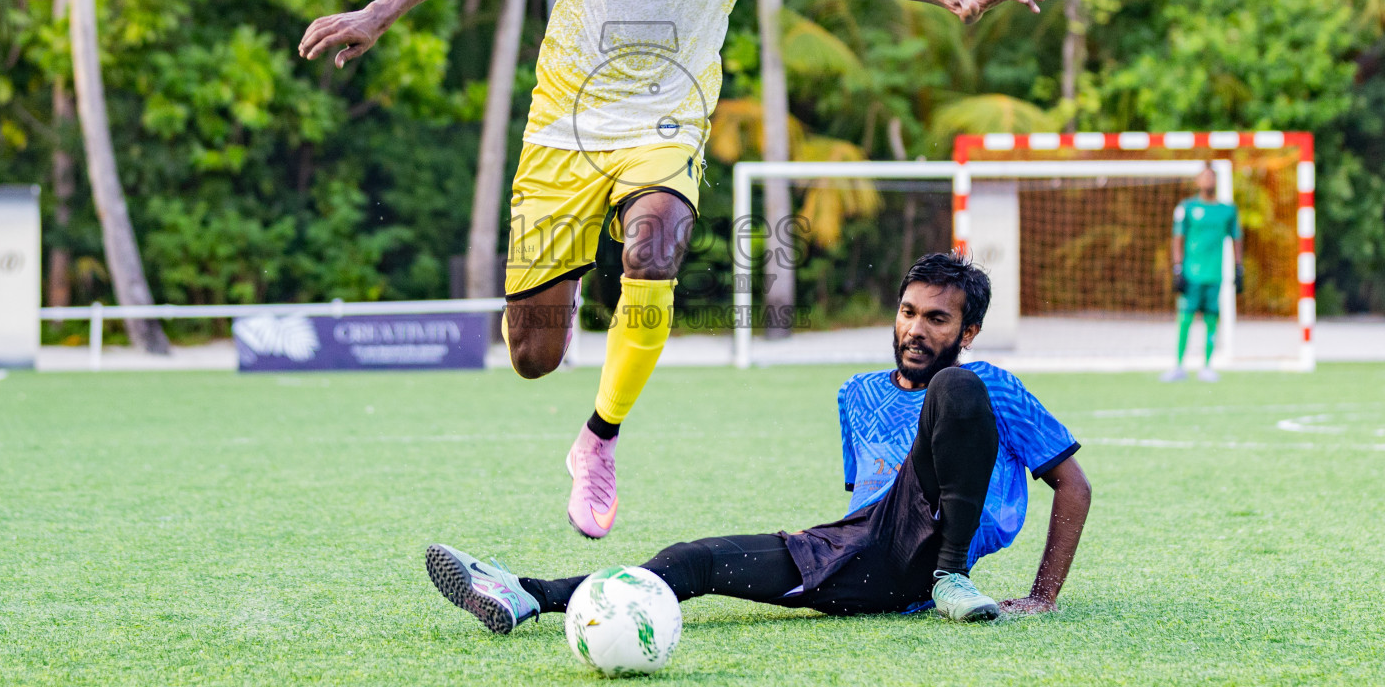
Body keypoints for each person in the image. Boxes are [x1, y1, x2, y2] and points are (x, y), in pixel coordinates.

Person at [298, 0, 1045, 539]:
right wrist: (377, 13)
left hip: (664, 125)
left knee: (655, 249)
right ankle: (575, 277)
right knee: (532, 356)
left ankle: (599, 438)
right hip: (562, 132)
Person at [423, 252, 1091, 631]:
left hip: (933, 550)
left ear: (967, 331)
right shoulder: (856, 392)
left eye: (937, 319)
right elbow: (869, 498)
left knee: (956, 389)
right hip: (867, 553)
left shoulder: (984, 384)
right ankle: (527, 594)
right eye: (908, 312)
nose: (916, 329)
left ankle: (951, 576)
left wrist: (1043, 594)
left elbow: (1074, 484)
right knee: (696, 560)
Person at [1163, 164, 1243, 383]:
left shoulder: (1227, 210)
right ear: (1197, 181)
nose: (1208, 180)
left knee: (1211, 320)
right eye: (1204, 176)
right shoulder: (1187, 207)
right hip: (1191, 275)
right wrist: (1177, 267)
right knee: (1185, 319)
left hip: (1214, 276)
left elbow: (1237, 239)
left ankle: (1207, 366)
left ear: (1216, 180)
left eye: (1211, 177)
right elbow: (1177, 239)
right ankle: (1178, 365)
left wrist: (1239, 267)